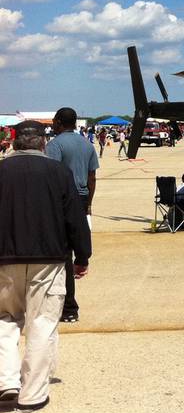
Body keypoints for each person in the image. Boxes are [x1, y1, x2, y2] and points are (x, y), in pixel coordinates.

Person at [0, 120, 92, 413]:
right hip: (49, 259)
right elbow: (75, 218)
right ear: (42, 143)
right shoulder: (59, 173)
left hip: (4, 258)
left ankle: (6, 382)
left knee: (4, 318)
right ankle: (33, 394)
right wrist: (82, 256)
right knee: (41, 322)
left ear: (15, 142)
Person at [44, 107, 98, 324]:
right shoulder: (87, 143)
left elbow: (51, 174)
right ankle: (70, 309)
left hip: (62, 200)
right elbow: (92, 176)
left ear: (58, 122)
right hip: (82, 197)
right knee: (75, 247)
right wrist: (88, 204)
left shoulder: (54, 145)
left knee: (62, 252)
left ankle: (66, 305)